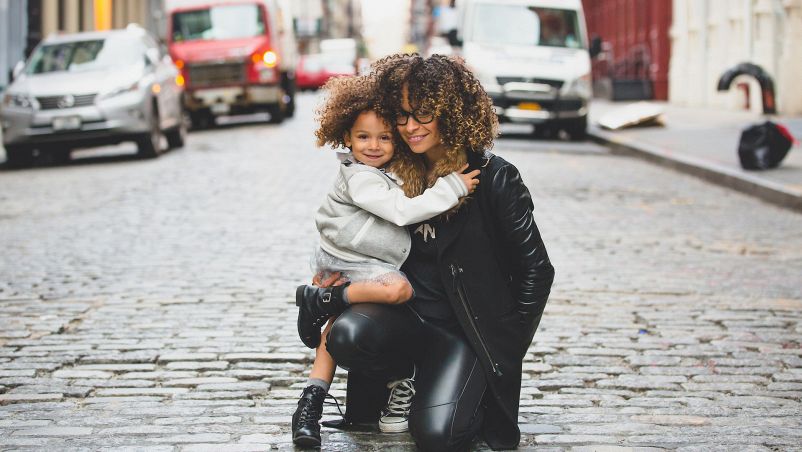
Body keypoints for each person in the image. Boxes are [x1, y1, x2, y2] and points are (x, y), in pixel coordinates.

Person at [323, 54, 555, 451]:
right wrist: (334, 270)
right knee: (347, 335)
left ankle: (464, 387)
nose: (410, 127)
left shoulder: (494, 177)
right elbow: (345, 224)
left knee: (437, 435)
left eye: (423, 114)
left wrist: (503, 349)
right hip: (406, 319)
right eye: (403, 115)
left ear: (451, 112)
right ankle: (407, 379)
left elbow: (537, 270)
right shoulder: (392, 171)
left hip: (463, 332)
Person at [292, 74, 481, 448]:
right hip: (354, 260)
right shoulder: (360, 177)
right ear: (346, 137)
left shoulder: (386, 171)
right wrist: (453, 187)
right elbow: (400, 211)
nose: (375, 146)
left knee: (336, 322)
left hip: (352, 258)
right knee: (398, 289)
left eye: (384, 137)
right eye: (364, 137)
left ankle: (309, 400)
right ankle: (330, 307)